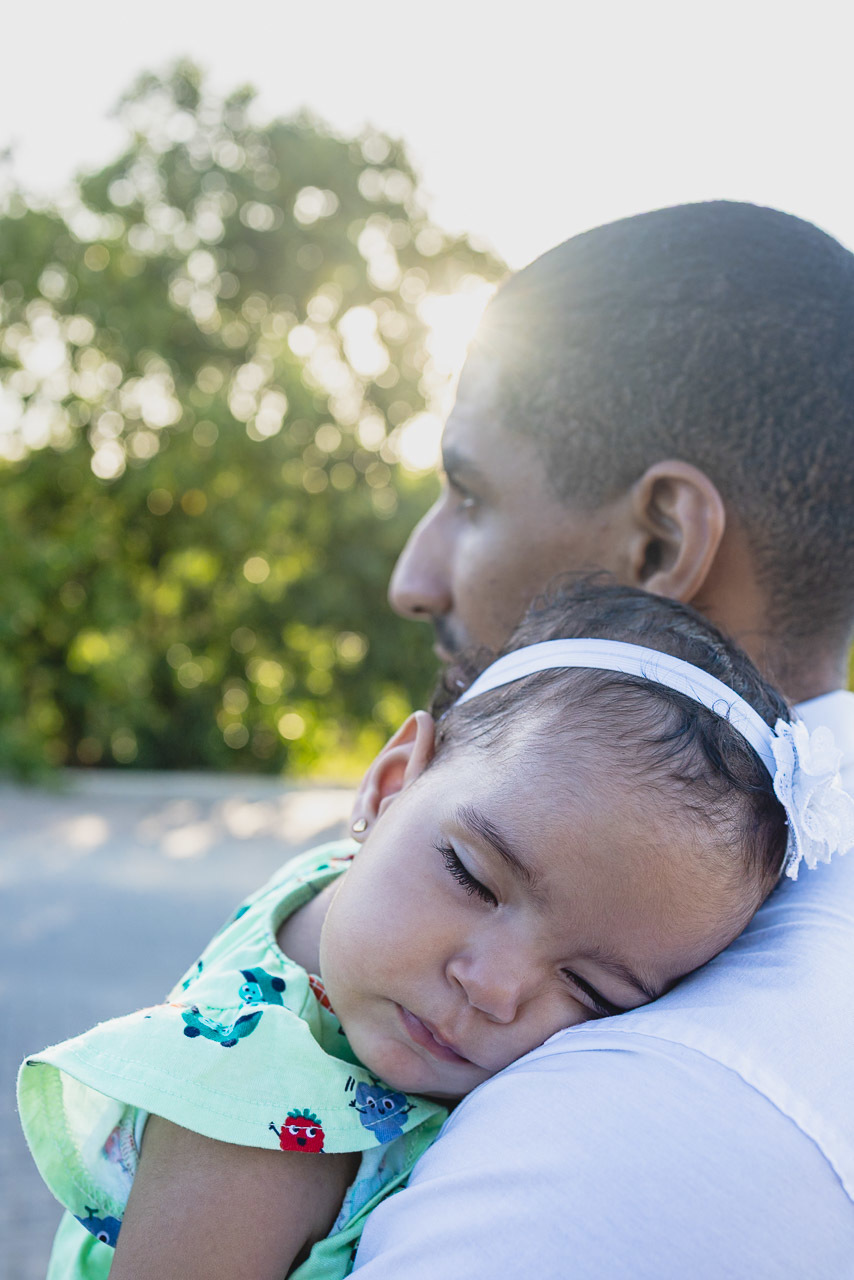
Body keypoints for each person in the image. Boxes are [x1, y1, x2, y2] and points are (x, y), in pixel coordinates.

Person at [20, 580, 836, 1280]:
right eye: (472, 878)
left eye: (594, 990)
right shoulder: (258, 1126)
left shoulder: (353, 898)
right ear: (385, 788)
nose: (494, 987)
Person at [351, 201, 854, 1276]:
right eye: (473, 873)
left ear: (659, 537)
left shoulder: (612, 1135)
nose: (413, 577)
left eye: (470, 493)